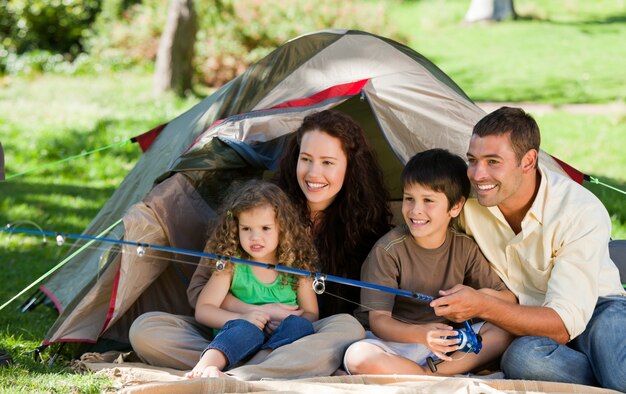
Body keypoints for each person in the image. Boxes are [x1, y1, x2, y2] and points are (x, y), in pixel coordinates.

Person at [129, 110, 392, 380]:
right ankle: (268, 370)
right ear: (295, 159)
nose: (314, 173)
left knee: (348, 328)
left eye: (328, 162)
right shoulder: (258, 208)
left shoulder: (364, 224)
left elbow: (354, 312)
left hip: (300, 337)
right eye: (306, 159)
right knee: (145, 330)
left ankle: (239, 373)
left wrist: (291, 324)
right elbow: (199, 293)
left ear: (350, 166)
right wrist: (254, 313)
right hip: (234, 331)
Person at [431, 107, 626, 391]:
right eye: (472, 160)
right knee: (522, 359)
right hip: (527, 322)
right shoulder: (468, 201)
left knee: (617, 366)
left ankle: (611, 373)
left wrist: (484, 305)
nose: (477, 173)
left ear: (528, 160)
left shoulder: (577, 210)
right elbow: (424, 219)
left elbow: (561, 324)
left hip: (597, 308)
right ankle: (606, 375)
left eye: (493, 161)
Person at [344, 148, 516, 376]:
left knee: (504, 330)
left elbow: (508, 299)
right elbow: (379, 322)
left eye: (428, 201)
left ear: (455, 207)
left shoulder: (464, 247)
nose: (416, 210)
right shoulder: (387, 251)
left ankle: (425, 376)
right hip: (394, 343)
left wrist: (476, 299)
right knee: (357, 356)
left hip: (444, 347)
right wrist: (421, 335)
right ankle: (433, 378)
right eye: (409, 199)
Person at [185, 180, 319, 378]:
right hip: (238, 338)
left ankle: (252, 368)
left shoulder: (297, 267)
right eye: (246, 229)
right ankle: (206, 366)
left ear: (282, 228)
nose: (255, 237)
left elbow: (311, 314)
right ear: (235, 228)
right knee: (246, 330)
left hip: (278, 344)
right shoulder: (232, 264)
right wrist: (243, 318)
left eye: (265, 228)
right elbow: (203, 310)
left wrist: (286, 321)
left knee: (301, 326)